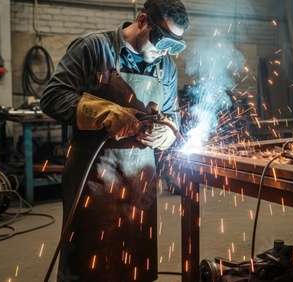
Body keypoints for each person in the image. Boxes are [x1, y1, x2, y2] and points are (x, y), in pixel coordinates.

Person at [40, 0, 189, 280]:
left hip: (140, 182)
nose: (165, 51)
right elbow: (52, 98)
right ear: (143, 20)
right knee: (88, 263)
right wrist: (102, 111)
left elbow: (172, 116)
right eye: (162, 40)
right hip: (93, 176)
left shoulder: (166, 67)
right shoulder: (94, 48)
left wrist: (167, 131)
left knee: (135, 263)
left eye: (174, 46)